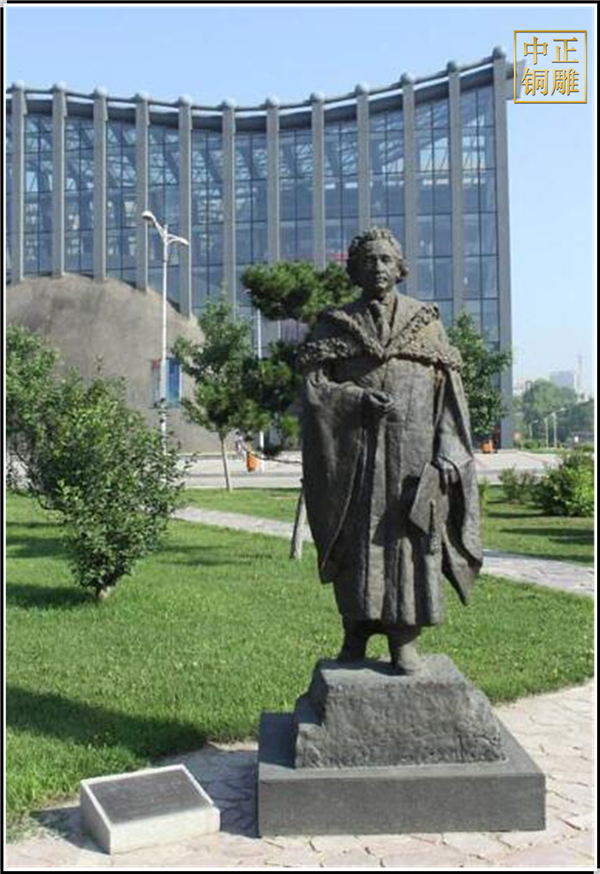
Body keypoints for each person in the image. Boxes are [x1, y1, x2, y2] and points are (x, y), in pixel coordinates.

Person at [299, 228, 482, 674]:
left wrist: (448, 450)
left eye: (385, 260)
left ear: (400, 268)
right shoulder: (334, 324)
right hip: (355, 462)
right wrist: (355, 400)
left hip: (414, 460)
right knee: (356, 543)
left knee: (411, 545)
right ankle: (355, 633)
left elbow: (449, 396)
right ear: (353, 270)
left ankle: (404, 640)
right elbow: (314, 391)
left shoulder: (426, 321)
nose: (377, 267)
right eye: (368, 260)